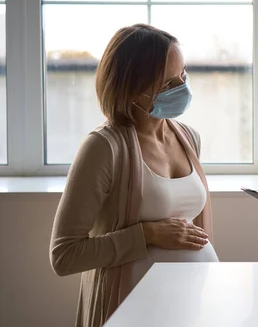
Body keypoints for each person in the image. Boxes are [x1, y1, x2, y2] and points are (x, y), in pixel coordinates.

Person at [49, 24, 219, 327]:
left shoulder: (189, 138)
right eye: (169, 84)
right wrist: (147, 235)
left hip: (192, 310)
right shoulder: (103, 148)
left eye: (183, 75)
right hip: (130, 314)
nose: (182, 88)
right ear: (131, 89)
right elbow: (64, 255)